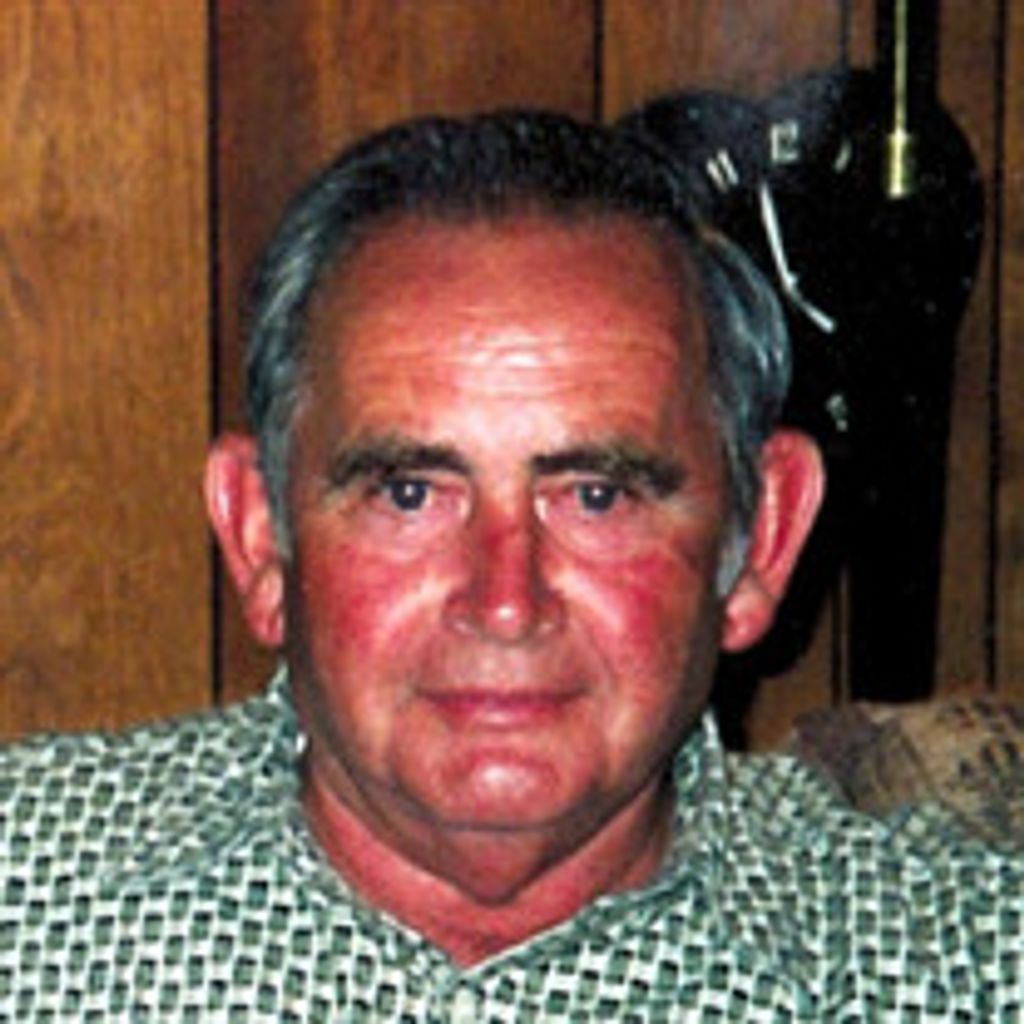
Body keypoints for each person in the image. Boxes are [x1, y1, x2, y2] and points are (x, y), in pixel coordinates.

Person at [0, 108, 1019, 1021]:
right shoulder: (25, 894)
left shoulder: (963, 970)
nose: (504, 602)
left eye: (596, 495)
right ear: (260, 536)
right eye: (409, 494)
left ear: (759, 540)